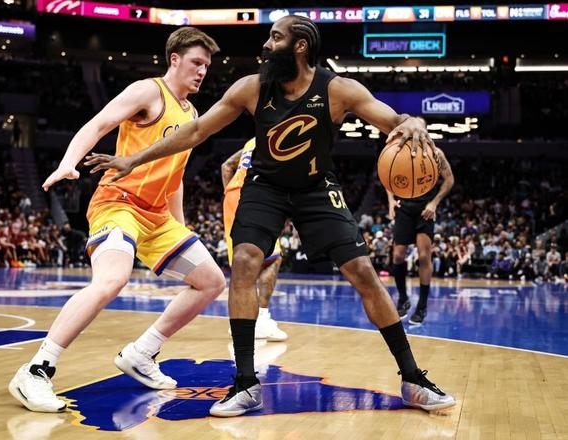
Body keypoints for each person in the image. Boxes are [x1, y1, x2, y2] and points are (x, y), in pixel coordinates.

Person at [85, 15, 456, 416]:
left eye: (275, 37)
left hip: (316, 188)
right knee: (245, 262)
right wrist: (133, 159)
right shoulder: (252, 87)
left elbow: (394, 121)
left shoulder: (337, 89)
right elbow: (195, 131)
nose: (266, 45)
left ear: (300, 46)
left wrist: (414, 121)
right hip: (265, 188)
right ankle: (246, 384)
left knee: (363, 271)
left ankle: (413, 378)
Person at [8, 27, 226, 413]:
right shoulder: (148, 91)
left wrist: (180, 225)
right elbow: (99, 123)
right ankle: (36, 370)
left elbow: (174, 177)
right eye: (196, 62)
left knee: (211, 281)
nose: (202, 71)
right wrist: (68, 163)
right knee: (112, 279)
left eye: (206, 66)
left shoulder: (191, 113)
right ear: (174, 59)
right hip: (119, 203)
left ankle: (142, 352)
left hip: (157, 216)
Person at [222, 137, 287, 342]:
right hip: (256, 194)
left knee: (245, 262)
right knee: (272, 258)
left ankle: (240, 322)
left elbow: (226, 166)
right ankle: (261, 320)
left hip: (233, 195)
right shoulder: (284, 135)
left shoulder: (254, 140)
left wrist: (229, 193)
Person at [387, 149, 454, 324]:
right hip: (404, 207)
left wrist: (434, 203)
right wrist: (391, 200)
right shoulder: (399, 151)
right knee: (398, 256)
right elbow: (386, 174)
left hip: (425, 209)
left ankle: (422, 306)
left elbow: (449, 179)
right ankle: (403, 298)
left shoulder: (436, 153)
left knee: (424, 256)